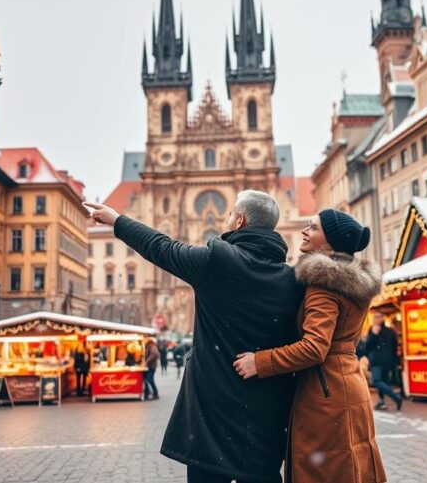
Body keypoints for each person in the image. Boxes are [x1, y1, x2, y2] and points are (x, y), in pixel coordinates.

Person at [87, 190, 303, 483]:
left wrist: (118, 221)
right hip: (265, 418)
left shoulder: (217, 261)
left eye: (229, 214)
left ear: (239, 221)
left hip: (211, 420)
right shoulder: (291, 280)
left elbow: (161, 247)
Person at [233, 209, 387, 483]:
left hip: (326, 391)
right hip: (346, 383)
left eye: (313, 228)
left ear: (329, 243)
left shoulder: (324, 284)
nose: (304, 231)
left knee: (324, 471)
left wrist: (259, 361)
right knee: (348, 467)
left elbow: (314, 347)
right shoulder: (348, 280)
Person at [361, 311, 403, 411]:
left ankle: (396, 398)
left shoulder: (376, 330)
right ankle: (381, 402)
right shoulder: (391, 331)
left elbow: (367, 346)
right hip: (388, 361)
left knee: (377, 381)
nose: (375, 319)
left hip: (377, 361)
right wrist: (394, 362)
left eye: (377, 317)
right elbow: (395, 347)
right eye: (375, 317)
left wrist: (374, 335)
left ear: (382, 318)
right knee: (383, 381)